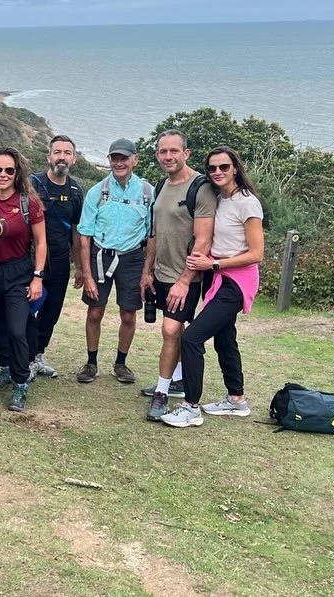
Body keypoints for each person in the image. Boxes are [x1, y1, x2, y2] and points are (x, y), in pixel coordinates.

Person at [161, 147, 264, 428]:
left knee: (192, 338)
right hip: (217, 279)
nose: (217, 172)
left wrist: (214, 265)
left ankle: (190, 406)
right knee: (224, 338)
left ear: (235, 168)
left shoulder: (247, 202)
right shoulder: (219, 199)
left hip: (236, 280)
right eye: (212, 168)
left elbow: (256, 254)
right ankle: (236, 399)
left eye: (224, 167)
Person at [139, 130, 217, 420]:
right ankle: (179, 380)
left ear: (186, 153)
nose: (168, 156)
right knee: (175, 330)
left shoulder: (201, 187)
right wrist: (146, 271)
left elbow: (204, 241)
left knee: (170, 330)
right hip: (160, 272)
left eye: (174, 151)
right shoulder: (161, 185)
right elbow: (155, 233)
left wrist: (185, 281)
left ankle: (161, 393)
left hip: (186, 276)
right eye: (162, 152)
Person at [75, 138, 154, 385]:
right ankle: (91, 362)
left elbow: (152, 234)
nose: (119, 163)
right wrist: (86, 274)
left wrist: (147, 271)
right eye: (114, 158)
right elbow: (84, 235)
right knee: (95, 311)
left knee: (129, 314)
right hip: (101, 255)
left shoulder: (147, 192)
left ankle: (121, 363)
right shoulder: (97, 192)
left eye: (124, 158)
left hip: (131, 258)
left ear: (135, 160)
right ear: (109, 160)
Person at [0, 148, 47, 412]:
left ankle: (20, 382)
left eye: (9, 170)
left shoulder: (28, 202)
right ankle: (4, 368)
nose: (3, 175)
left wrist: (37, 276)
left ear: (18, 172)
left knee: (17, 330)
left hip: (19, 273)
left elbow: (41, 243)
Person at [27, 135, 85, 380]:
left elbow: (76, 230)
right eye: (57, 152)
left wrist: (80, 267)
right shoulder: (32, 184)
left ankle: (38, 355)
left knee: (51, 312)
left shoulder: (75, 191)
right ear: (48, 157)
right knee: (27, 310)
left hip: (61, 261)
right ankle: (24, 357)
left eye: (67, 152)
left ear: (74, 159)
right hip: (30, 259)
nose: (62, 157)